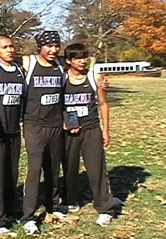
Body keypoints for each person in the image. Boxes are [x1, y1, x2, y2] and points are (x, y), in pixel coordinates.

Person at [62, 43, 115, 227]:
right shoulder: (61, 79)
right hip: (69, 131)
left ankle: (105, 208)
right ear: (68, 61)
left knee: (97, 169)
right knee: (69, 167)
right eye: (77, 58)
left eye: (85, 57)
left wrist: (106, 130)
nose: (82, 61)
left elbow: (103, 104)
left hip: (91, 129)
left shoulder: (94, 77)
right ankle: (70, 201)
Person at [20, 30, 65, 234]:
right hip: (34, 125)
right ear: (40, 47)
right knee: (35, 169)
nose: (53, 50)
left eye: (56, 46)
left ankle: (53, 206)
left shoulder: (60, 65)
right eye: (49, 46)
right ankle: (28, 216)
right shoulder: (28, 63)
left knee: (53, 168)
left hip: (55, 125)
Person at [0, 35, 25, 236]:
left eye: (12, 46)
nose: (10, 50)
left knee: (12, 173)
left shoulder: (20, 70)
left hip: (14, 130)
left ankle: (10, 211)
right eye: (5, 47)